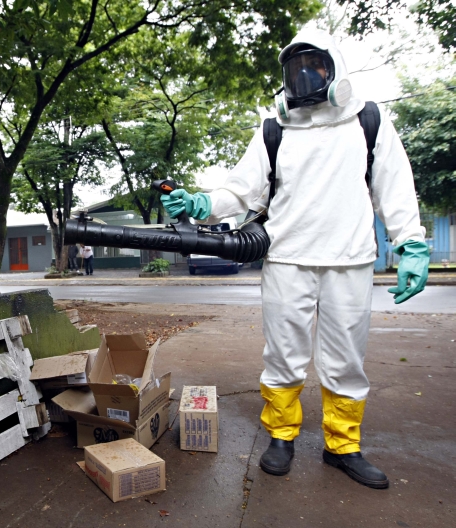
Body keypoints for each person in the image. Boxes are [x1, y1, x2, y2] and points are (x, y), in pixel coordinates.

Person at [161, 28, 428, 489]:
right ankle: (281, 437)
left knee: (346, 359)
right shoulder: (274, 129)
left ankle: (343, 446)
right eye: (294, 68)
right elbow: (241, 189)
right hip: (287, 258)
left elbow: (395, 187)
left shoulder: (368, 121)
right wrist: (202, 203)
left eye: (314, 65)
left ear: (334, 68)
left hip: (350, 259)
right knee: (283, 356)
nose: (304, 76)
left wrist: (411, 244)